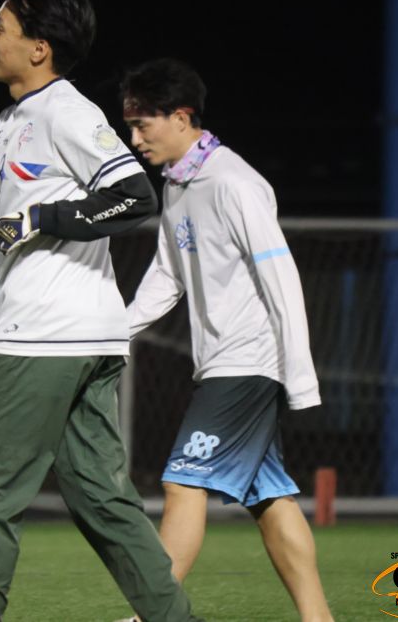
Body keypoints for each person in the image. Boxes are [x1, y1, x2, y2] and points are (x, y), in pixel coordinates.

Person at [0, 0, 200, 621]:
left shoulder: (66, 110)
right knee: (103, 501)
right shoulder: (11, 121)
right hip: (88, 337)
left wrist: (43, 217)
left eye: (0, 27)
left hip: (41, 338)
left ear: (39, 48)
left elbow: (134, 196)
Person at [120, 58, 335, 622]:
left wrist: (300, 377)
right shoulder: (177, 184)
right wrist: (112, 332)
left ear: (181, 117)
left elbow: (281, 277)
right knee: (270, 496)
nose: (134, 139)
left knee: (182, 481)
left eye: (143, 125)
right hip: (221, 363)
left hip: (248, 363)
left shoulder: (235, 183)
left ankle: (152, 615)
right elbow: (166, 276)